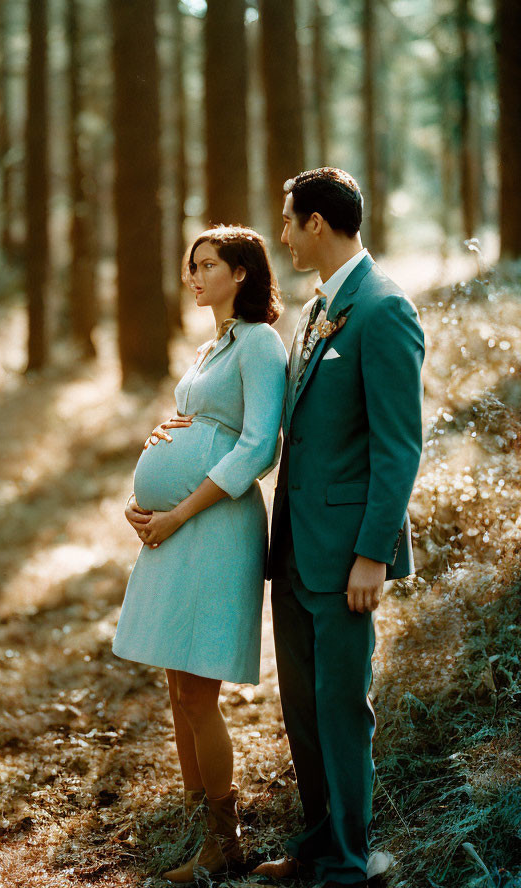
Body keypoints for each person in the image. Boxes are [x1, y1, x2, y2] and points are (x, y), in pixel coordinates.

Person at [253, 167, 425, 888]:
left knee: (342, 711)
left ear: (317, 223)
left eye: (290, 221)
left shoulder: (384, 309)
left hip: (346, 559)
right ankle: (319, 844)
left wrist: (372, 555)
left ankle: (352, 863)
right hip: (294, 553)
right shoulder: (317, 307)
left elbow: (398, 447)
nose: (284, 235)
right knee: (303, 712)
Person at [113, 225, 287, 882]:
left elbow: (258, 446)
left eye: (206, 264)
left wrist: (180, 507)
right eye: (191, 265)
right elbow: (196, 428)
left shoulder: (261, 343)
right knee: (176, 680)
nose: (193, 275)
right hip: (177, 526)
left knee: (196, 684)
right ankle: (197, 815)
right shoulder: (218, 345)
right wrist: (147, 495)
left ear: (241, 272)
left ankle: (225, 839)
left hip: (215, 526)